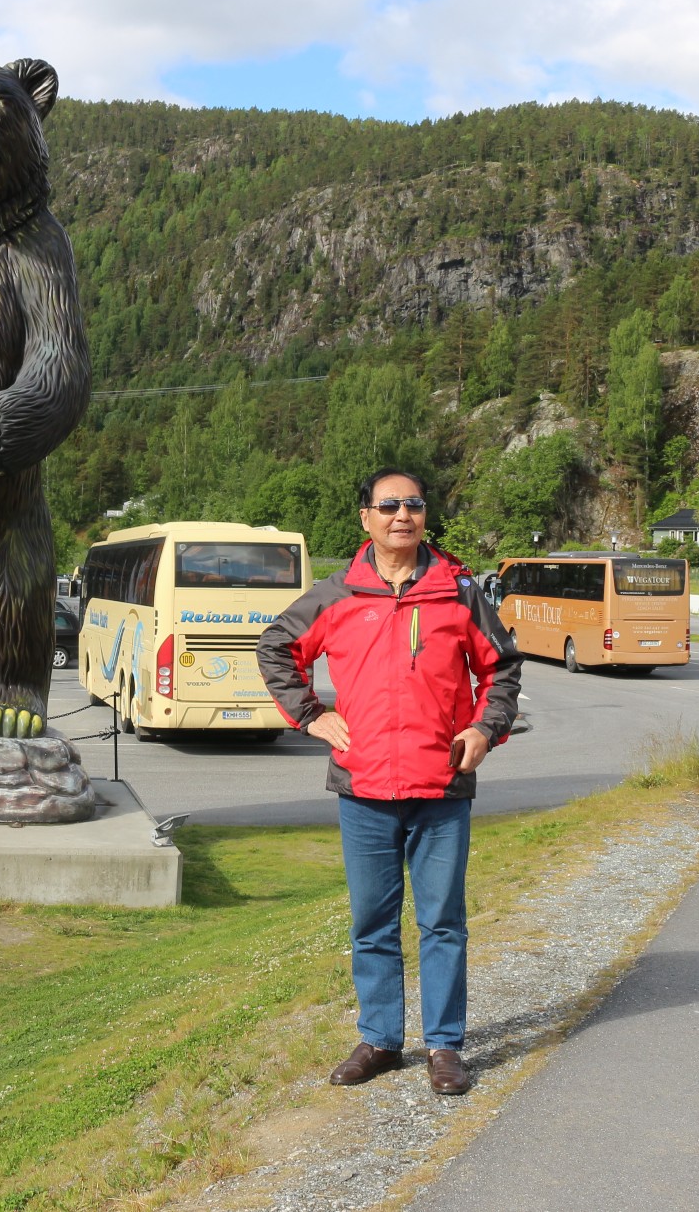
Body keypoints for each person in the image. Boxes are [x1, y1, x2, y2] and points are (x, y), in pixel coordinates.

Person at [258, 467, 522, 1098]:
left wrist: (486, 730)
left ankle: (445, 1046)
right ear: (366, 518)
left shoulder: (458, 594)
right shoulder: (335, 595)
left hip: (442, 786)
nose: (402, 514)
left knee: (443, 923)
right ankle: (379, 1039)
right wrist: (313, 717)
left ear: (424, 515)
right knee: (372, 924)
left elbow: (503, 668)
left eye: (414, 504)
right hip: (364, 787)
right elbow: (275, 648)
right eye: (389, 505)